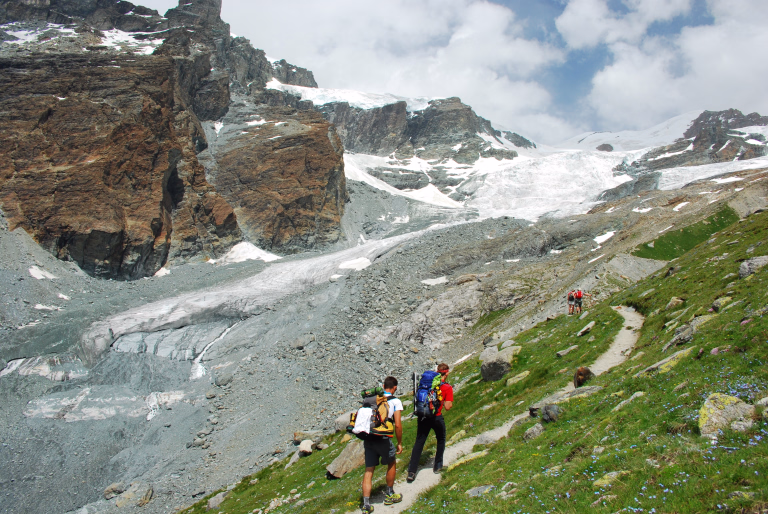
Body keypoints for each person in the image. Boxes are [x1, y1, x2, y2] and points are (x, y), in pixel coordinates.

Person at [361, 376, 403, 513]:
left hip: (369, 437)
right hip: (383, 438)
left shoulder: (372, 399)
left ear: (383, 386)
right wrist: (400, 443)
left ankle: (366, 504)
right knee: (391, 462)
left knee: (369, 470)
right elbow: (397, 424)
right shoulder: (395, 401)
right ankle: (390, 494)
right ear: (394, 388)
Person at [406, 363, 454, 482]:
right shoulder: (447, 387)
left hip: (423, 417)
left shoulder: (426, 384)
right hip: (436, 417)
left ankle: (411, 471)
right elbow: (448, 407)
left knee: (419, 442)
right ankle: (438, 466)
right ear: (447, 373)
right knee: (441, 439)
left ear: (437, 371)